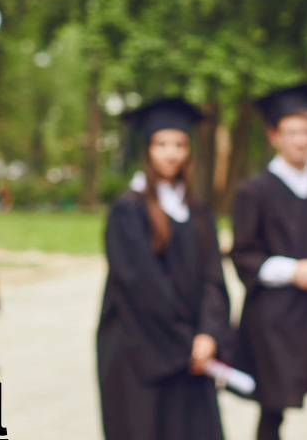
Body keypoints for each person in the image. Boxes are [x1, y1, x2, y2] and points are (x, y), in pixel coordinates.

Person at [97, 97, 230, 440]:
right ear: (147, 148)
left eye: (180, 144)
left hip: (192, 351)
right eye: (161, 144)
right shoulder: (128, 211)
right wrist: (189, 341)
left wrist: (209, 333)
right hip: (141, 352)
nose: (171, 153)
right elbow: (143, 287)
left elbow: (215, 277)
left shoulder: (198, 211)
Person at [230, 84, 307, 440]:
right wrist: (293, 271)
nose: (301, 140)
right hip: (275, 315)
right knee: (274, 405)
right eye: (292, 132)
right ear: (274, 136)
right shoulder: (254, 191)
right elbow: (243, 254)